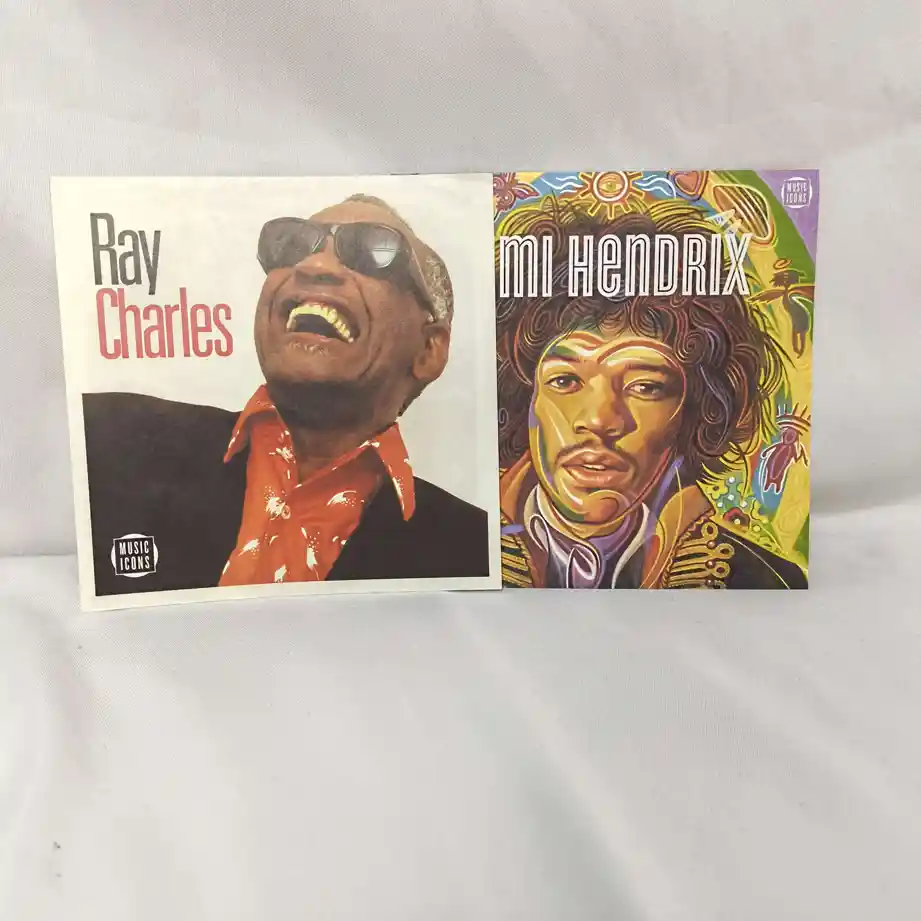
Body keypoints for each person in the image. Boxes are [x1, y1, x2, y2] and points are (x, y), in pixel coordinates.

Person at [84, 194, 489, 595]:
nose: (313, 265)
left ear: (428, 349)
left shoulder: (479, 553)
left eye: (373, 252)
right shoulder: (103, 436)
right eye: (293, 246)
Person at [496, 201, 807, 589]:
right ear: (525, 400)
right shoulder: (452, 550)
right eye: (565, 381)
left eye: (645, 387)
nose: (599, 421)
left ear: (693, 414)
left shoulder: (765, 582)